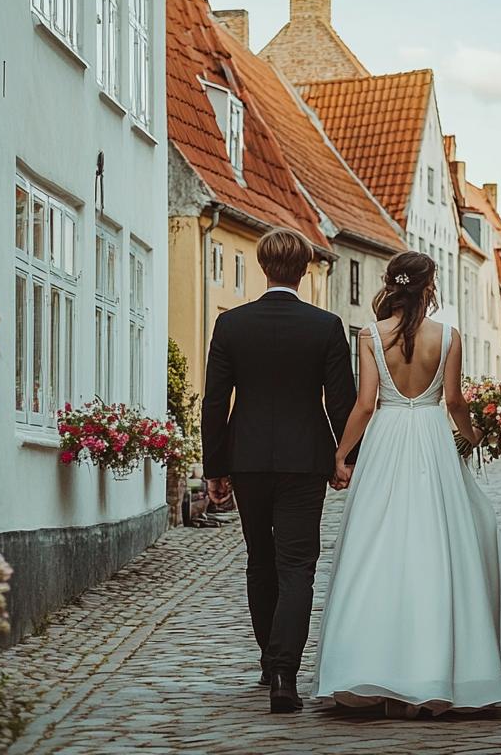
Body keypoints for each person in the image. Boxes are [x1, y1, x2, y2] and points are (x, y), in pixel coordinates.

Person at [313, 251, 501, 718]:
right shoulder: (448, 336)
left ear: (393, 286)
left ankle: (369, 668)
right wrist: (474, 438)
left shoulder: (371, 335)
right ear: (430, 287)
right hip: (431, 440)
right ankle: (441, 672)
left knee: (376, 547)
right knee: (441, 547)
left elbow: (366, 405)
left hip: (387, 440)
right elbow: (453, 401)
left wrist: (340, 453)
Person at [200, 227, 357, 714]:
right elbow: (343, 401)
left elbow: (214, 402)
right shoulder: (325, 326)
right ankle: (285, 671)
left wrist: (215, 466)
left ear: (264, 266)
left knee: (259, 559)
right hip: (304, 461)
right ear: (305, 268)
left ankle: (270, 659)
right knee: (297, 565)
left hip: (247, 460)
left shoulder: (232, 326)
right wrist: (344, 457)